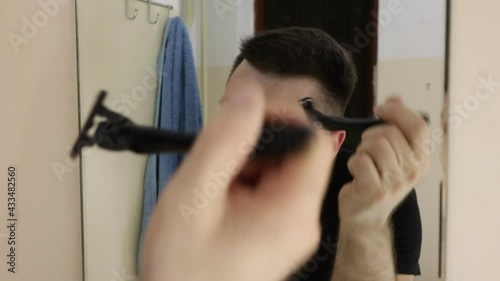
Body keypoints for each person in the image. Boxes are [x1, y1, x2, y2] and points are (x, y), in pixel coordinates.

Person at [141, 27, 429, 281]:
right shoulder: (202, 189)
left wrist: (364, 225)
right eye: (235, 113)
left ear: (331, 144)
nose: (244, 148)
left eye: (276, 130)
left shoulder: (382, 195)